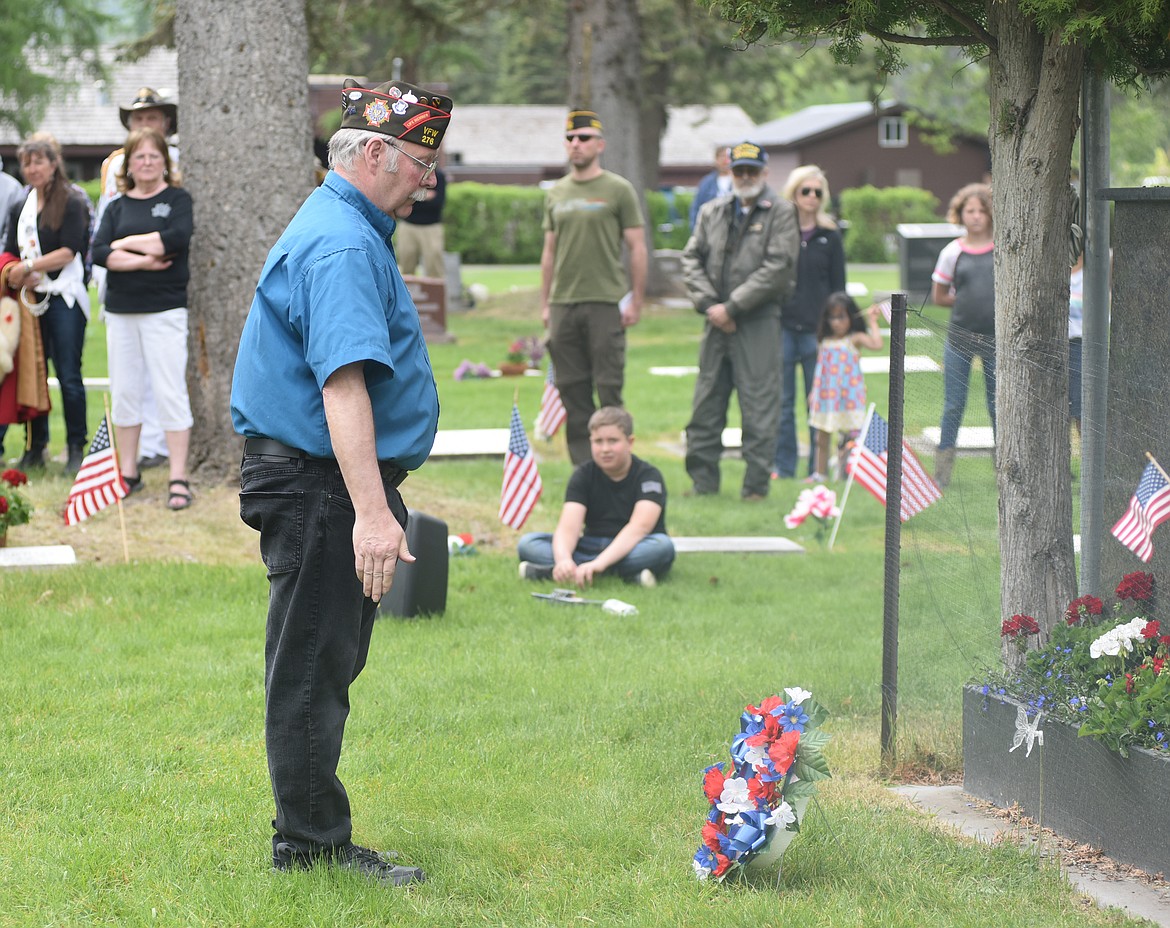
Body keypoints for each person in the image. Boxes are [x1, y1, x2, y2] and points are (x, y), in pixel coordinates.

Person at [230, 76, 451, 888]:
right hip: (321, 484)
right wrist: (371, 513)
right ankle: (310, 845)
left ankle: (310, 834)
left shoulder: (347, 224)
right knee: (312, 668)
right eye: (420, 162)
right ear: (373, 152)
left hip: (318, 481)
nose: (428, 178)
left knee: (319, 661)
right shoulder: (344, 242)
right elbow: (343, 385)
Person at [680, 141, 800, 500]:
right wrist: (710, 305)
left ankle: (756, 486)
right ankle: (703, 484)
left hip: (758, 319)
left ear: (765, 173)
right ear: (729, 173)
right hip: (714, 320)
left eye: (752, 171)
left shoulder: (781, 212)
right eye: (739, 171)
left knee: (759, 404)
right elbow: (690, 259)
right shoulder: (711, 211)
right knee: (706, 403)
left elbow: (778, 267)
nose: (745, 177)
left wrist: (732, 307)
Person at [91, 128, 195, 510]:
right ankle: (128, 473)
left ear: (164, 162)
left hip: (165, 311)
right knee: (125, 392)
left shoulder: (177, 199)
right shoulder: (116, 206)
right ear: (128, 164)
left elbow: (175, 239)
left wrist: (124, 245)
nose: (147, 162)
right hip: (121, 313)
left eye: (154, 156)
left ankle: (179, 478)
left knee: (170, 392)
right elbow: (101, 252)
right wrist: (142, 258)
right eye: (139, 156)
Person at [540, 110, 647, 466]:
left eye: (584, 138)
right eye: (570, 139)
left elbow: (637, 247)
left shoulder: (618, 190)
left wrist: (636, 300)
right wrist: (545, 304)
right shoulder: (556, 192)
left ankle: (616, 463)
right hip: (563, 303)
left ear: (600, 145)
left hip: (605, 301)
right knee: (572, 389)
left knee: (609, 386)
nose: (576, 144)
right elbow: (549, 252)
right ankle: (584, 468)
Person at [94, 87, 181, 472]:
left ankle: (162, 446)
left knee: (166, 377)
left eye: (152, 117)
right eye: (139, 118)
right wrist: (121, 261)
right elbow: (102, 233)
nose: (145, 124)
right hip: (123, 291)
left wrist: (125, 249)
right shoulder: (116, 165)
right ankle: (138, 453)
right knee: (129, 380)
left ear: (165, 123)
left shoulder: (177, 161)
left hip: (165, 294)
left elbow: (175, 237)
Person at [2, 132, 91, 473]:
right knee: (32, 373)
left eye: (39, 160)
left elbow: (70, 250)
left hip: (62, 299)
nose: (32, 167)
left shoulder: (72, 201)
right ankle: (35, 446)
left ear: (54, 164)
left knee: (68, 374)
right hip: (30, 300)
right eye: (26, 162)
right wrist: (13, 271)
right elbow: (10, 249)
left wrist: (30, 267)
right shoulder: (18, 207)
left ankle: (75, 448)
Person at [517, 406, 674, 587]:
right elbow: (568, 528)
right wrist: (564, 560)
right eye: (598, 441)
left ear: (630, 442)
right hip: (591, 544)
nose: (605, 449)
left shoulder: (649, 476)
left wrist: (599, 563)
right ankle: (626, 575)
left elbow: (639, 528)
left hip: (634, 545)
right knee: (528, 544)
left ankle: (563, 571)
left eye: (613, 441)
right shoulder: (583, 475)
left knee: (662, 547)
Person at [772, 165, 847, 480]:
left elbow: (838, 287)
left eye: (818, 192)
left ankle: (815, 469)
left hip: (816, 332)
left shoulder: (830, 236)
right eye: (806, 191)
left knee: (816, 403)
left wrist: (837, 329)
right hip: (783, 327)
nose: (812, 197)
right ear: (794, 193)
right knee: (783, 401)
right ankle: (784, 466)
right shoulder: (778, 232)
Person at [931, 182, 995, 489]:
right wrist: (966, 299)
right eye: (970, 210)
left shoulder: (1002, 248)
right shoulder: (952, 252)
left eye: (982, 210)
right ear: (960, 214)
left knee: (999, 405)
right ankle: (942, 471)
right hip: (959, 338)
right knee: (954, 403)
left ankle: (1005, 468)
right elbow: (939, 296)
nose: (976, 217)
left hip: (997, 340)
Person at [806, 292, 883, 482]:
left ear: (851, 316)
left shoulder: (854, 339)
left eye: (841, 317)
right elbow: (820, 368)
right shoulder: (824, 340)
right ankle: (820, 474)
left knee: (848, 436)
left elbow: (877, 344)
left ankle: (844, 474)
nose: (836, 322)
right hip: (825, 397)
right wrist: (813, 392)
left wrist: (872, 321)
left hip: (848, 397)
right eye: (832, 317)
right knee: (821, 436)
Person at [395, 162, 446, 279]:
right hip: (408, 225)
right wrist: (427, 196)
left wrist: (416, 196)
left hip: (431, 227)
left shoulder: (439, 176)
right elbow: (403, 199)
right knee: (406, 267)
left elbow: (438, 203)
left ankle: (436, 296)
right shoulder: (410, 174)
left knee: (434, 268)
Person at [688, 145, 732, 230]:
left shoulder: (738, 182)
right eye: (722, 156)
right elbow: (696, 208)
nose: (725, 160)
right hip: (712, 228)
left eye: (728, 156)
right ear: (716, 160)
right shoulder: (707, 183)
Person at [1067, 252, 1084, 435]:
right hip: (1054, 346)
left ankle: (1087, 460)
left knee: (1080, 406)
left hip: (1081, 345)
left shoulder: (1092, 275)